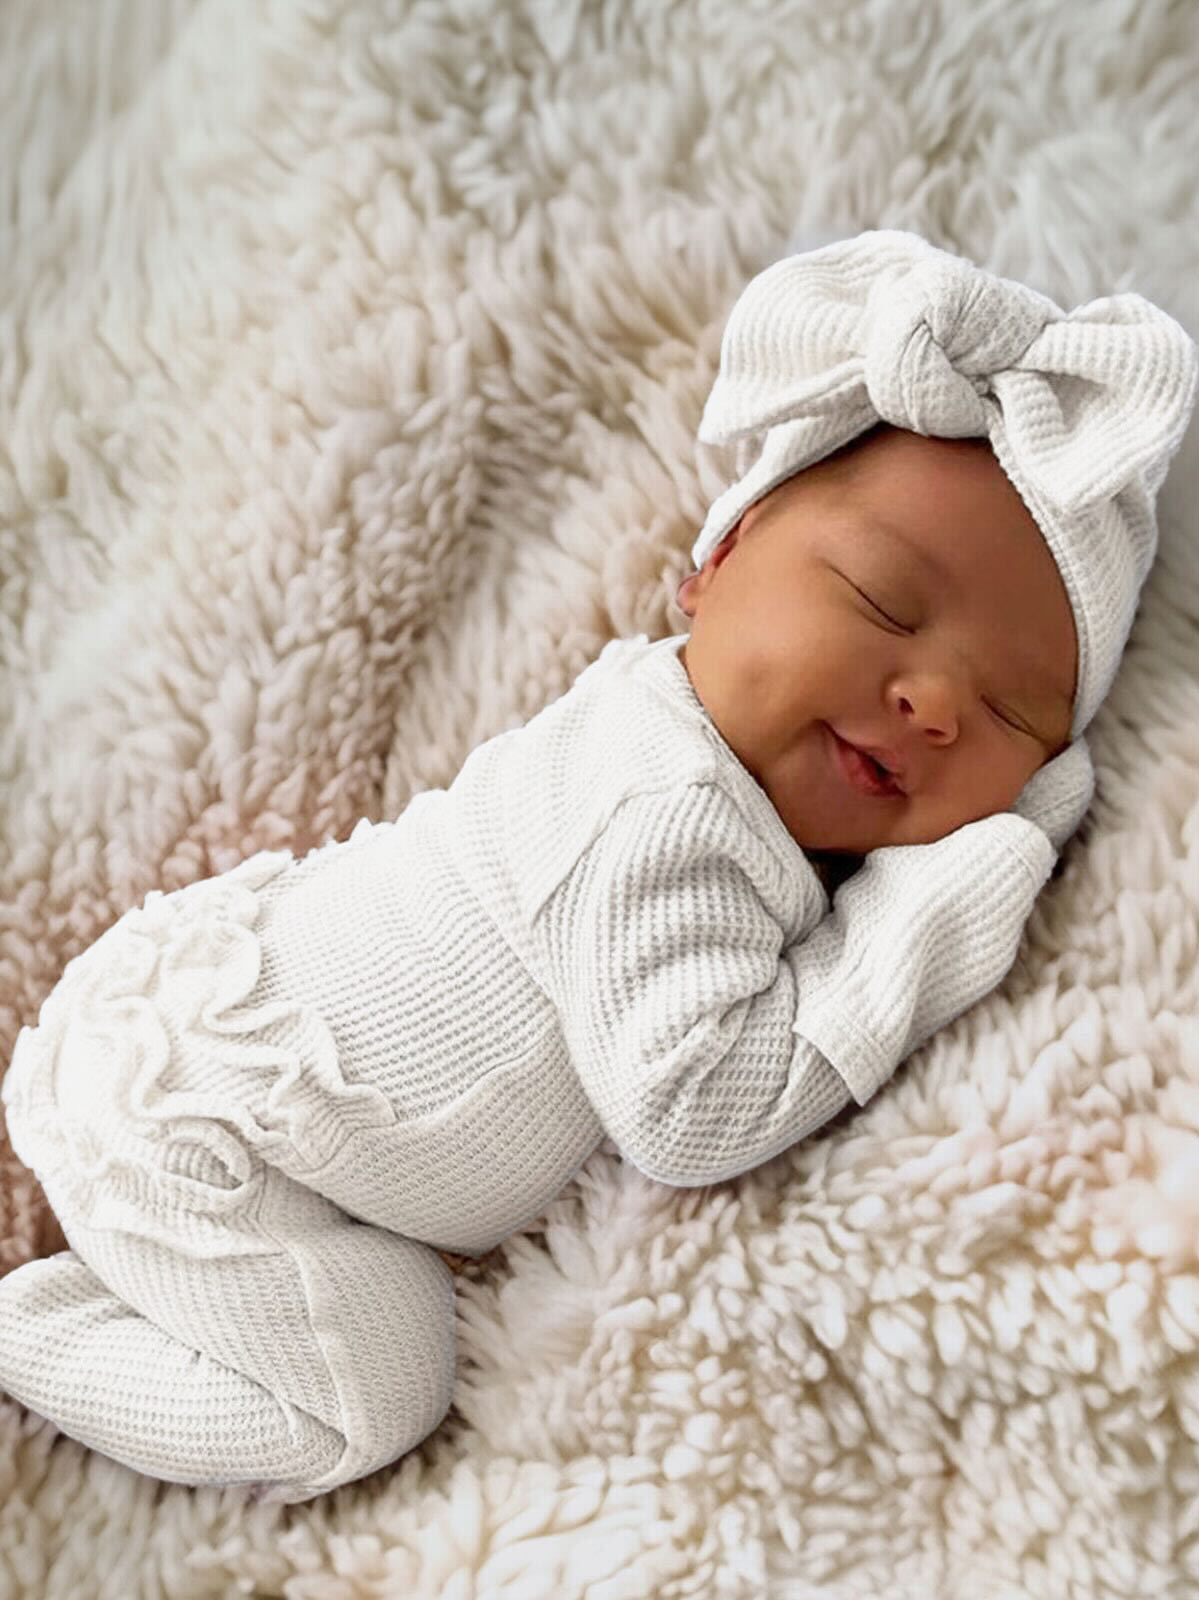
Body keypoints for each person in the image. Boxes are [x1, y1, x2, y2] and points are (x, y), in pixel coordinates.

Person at [0, 229, 1194, 1505]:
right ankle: (33, 1334)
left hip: (210, 1058)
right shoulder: (664, 804)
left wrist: (1016, 802)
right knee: (373, 1394)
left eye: (1014, 712)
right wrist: (926, 913)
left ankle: (137, 1289)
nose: (934, 701)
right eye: (883, 604)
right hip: (206, 1127)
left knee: (371, 1302)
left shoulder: (697, 776)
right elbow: (689, 1112)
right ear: (714, 565)